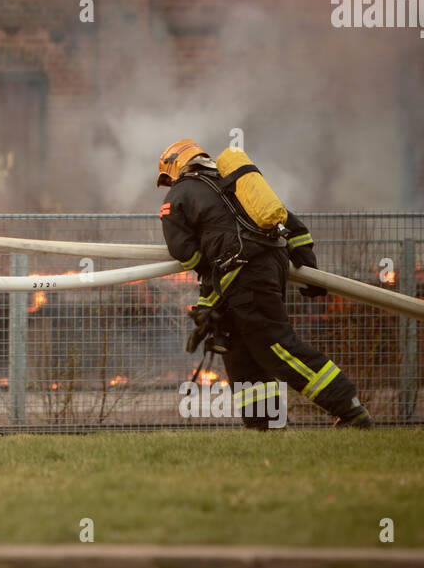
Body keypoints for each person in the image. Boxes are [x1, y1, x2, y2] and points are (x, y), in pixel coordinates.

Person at [156, 138, 373, 429]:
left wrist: (208, 281)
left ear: (174, 167)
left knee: (277, 348)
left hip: (245, 278)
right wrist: (309, 267)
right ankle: (267, 426)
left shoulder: (179, 195)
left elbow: (185, 252)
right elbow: (291, 224)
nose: (170, 184)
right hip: (262, 270)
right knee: (241, 355)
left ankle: (349, 408)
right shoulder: (237, 184)